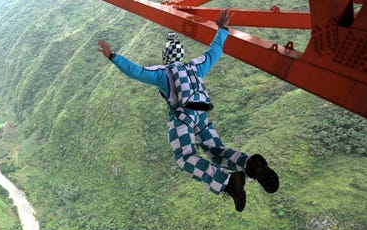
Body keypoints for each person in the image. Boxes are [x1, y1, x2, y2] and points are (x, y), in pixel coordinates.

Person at [97, 9, 279, 212]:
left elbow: (137, 72)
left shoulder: (162, 74)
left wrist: (113, 56)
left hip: (182, 118)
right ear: (181, 54)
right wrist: (223, 30)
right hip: (202, 115)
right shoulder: (195, 66)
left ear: (166, 57)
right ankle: (249, 165)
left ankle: (227, 182)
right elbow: (214, 51)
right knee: (216, 152)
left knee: (185, 157)